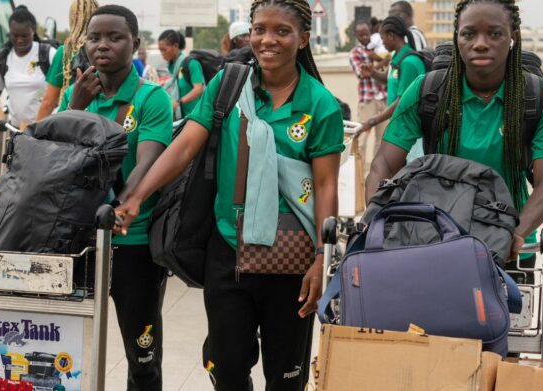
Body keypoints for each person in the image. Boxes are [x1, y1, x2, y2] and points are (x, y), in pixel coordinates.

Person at [116, 0, 344, 389]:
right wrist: (138, 195)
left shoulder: (320, 105)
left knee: (286, 375)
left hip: (293, 259)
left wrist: (322, 258)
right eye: (260, 29)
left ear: (303, 39)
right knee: (225, 366)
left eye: (282, 31)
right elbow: (185, 145)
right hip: (228, 251)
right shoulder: (229, 85)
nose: (267, 39)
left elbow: (325, 185)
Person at [364, 0, 543, 275]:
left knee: (503, 318)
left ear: (513, 37)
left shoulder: (541, 97)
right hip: (431, 239)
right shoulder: (427, 91)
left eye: (495, 33)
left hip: (508, 244)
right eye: (469, 33)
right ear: (457, 38)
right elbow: (384, 166)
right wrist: (379, 220)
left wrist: (514, 233)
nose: (481, 43)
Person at [59, 5, 173, 390]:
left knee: (142, 357)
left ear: (134, 44)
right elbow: (54, 158)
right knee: (64, 351)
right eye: (94, 38)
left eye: (114, 37)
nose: (102, 45)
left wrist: (120, 205)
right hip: (77, 243)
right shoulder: (76, 95)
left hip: (133, 243)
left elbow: (149, 163)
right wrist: (74, 106)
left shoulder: (151, 99)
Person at [357, 16, 426, 161]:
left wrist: (372, 121)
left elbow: (402, 102)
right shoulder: (397, 59)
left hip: (410, 132)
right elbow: (390, 80)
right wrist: (373, 73)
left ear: (391, 35)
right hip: (400, 128)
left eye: (382, 38)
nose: (381, 42)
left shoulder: (409, 62)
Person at [0, 6, 56, 127]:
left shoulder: (47, 54)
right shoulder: (4, 57)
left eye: (25, 36)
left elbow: (64, 87)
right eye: (15, 35)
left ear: (33, 30)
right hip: (17, 132)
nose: (19, 40)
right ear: (10, 32)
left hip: (45, 130)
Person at [35, 0, 99, 121]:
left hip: (72, 120)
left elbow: (48, 102)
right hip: (102, 121)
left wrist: (31, 135)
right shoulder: (104, 50)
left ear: (73, 19)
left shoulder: (65, 52)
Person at [349, 20, 387, 170]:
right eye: (361, 35)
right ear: (356, 36)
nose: (364, 37)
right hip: (367, 100)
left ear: (370, 32)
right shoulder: (355, 53)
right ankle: (359, 175)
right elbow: (362, 74)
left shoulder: (379, 48)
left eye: (366, 33)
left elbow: (387, 70)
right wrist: (379, 61)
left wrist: (379, 58)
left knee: (382, 139)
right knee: (362, 139)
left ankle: (377, 173)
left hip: (383, 98)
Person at [158, 29, 205, 120]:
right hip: (182, 118)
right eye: (160, 50)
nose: (162, 54)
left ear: (175, 46)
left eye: (164, 50)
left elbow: (199, 89)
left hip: (196, 118)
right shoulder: (173, 67)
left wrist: (179, 102)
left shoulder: (191, 63)